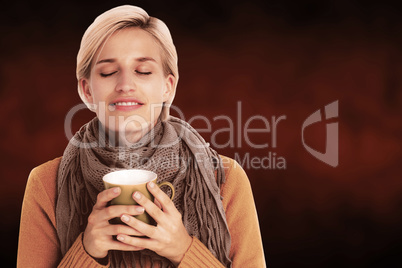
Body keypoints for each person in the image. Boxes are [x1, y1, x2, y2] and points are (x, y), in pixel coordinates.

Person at [17, 5, 265, 268]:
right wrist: (87, 251)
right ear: (86, 91)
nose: (125, 84)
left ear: (168, 87)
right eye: (108, 72)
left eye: (143, 71)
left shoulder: (225, 179)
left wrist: (183, 250)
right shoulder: (46, 184)